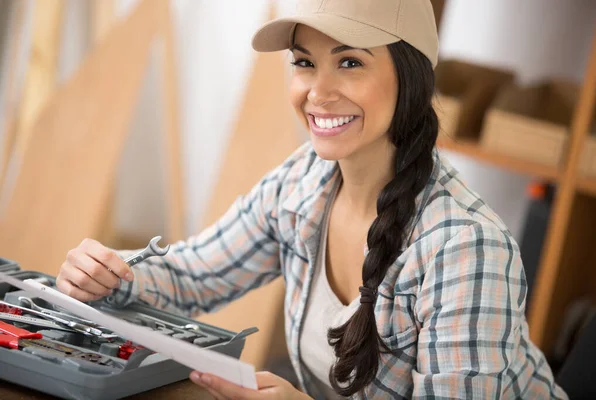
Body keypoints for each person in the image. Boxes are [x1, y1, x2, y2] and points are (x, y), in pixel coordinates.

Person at [56, 0, 568, 399]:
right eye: (305, 62)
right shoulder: (302, 183)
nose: (317, 93)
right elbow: (194, 276)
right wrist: (110, 274)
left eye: (349, 62)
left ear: (411, 78)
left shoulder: (465, 247)